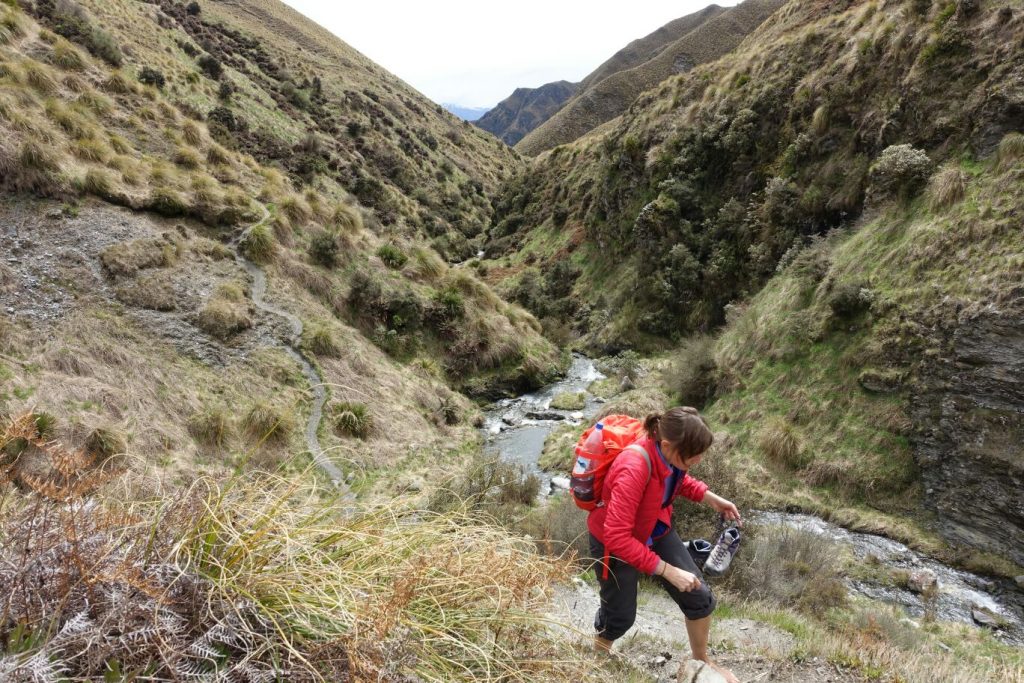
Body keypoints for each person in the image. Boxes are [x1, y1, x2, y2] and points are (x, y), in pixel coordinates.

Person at [588, 407, 741, 683]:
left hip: (654, 528)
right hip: (613, 544)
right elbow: (617, 537)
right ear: (667, 445)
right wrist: (667, 570)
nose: (698, 460)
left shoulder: (669, 455)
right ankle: (598, 654)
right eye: (692, 457)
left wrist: (711, 498)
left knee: (699, 599)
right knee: (620, 617)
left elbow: (677, 480)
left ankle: (701, 660)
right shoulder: (633, 467)